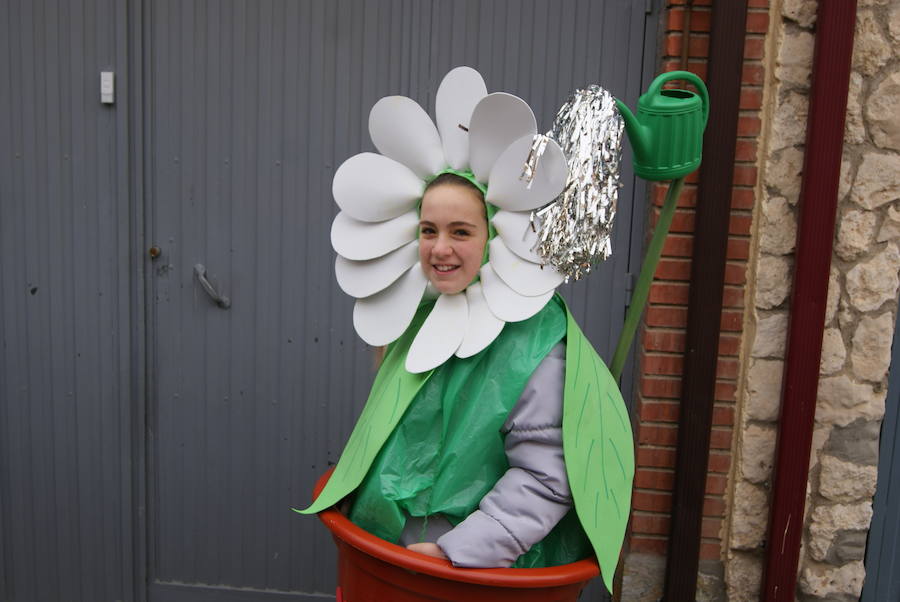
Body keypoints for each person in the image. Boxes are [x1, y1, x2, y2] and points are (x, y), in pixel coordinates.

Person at [344, 171, 590, 567]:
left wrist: (460, 549)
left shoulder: (534, 342)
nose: (439, 248)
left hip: (473, 574)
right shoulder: (418, 318)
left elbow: (546, 476)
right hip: (393, 558)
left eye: (460, 232)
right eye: (428, 230)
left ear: (495, 238)